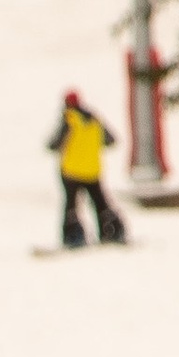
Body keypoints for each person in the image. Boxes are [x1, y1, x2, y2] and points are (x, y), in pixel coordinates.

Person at [49, 90, 127, 247]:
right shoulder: (95, 119)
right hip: (93, 170)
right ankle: (110, 232)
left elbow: (54, 144)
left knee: (71, 205)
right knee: (100, 203)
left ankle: (72, 237)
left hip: (71, 171)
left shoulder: (69, 119)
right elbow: (110, 140)